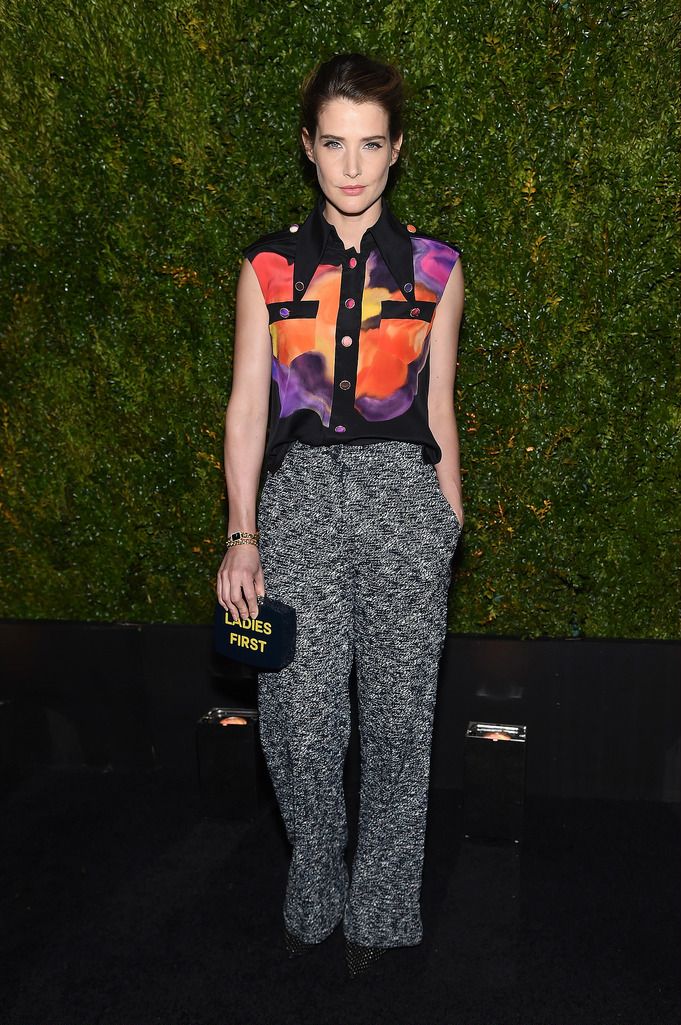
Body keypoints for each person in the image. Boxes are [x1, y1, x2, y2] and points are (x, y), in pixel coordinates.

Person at [216, 52, 465, 978]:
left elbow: (440, 413)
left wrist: (447, 523)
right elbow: (247, 404)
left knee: (401, 720)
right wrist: (243, 532)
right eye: (333, 143)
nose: (351, 166)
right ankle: (314, 878)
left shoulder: (438, 268)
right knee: (299, 715)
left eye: (369, 145)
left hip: (406, 499)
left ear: (395, 151)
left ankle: (383, 907)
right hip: (301, 504)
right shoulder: (268, 265)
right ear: (309, 149)